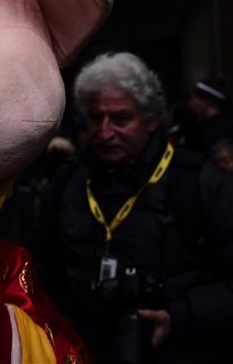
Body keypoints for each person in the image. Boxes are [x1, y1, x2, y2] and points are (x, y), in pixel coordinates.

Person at [41, 52, 233, 363]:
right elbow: (41, 270)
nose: (104, 133)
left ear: (151, 119)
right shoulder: (69, 182)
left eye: (120, 119)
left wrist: (180, 317)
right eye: (95, 118)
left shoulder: (201, 183)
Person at [181, 78, 233, 156]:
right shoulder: (196, 124)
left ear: (207, 101)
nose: (189, 103)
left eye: (193, 98)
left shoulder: (223, 128)